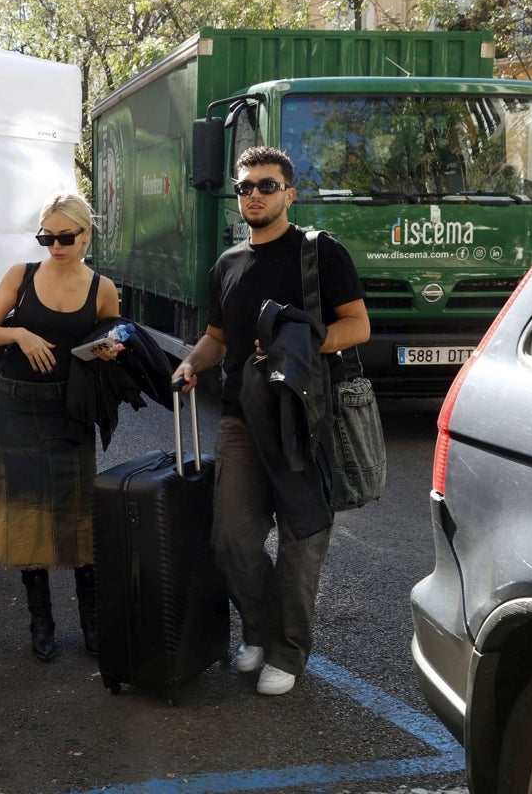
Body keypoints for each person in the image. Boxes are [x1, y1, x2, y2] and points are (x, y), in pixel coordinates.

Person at [171, 147, 370, 695]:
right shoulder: (226, 265)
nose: (253, 194)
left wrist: (298, 345)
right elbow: (217, 338)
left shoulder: (319, 253)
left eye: (265, 184)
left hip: (306, 419)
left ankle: (287, 649)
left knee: (302, 541)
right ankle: (257, 629)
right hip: (241, 419)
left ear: (289, 193)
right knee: (231, 539)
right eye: (244, 187)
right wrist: (190, 363)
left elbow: (357, 326)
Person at [0, 190, 121, 662]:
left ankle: (93, 626)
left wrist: (110, 350)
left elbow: (112, 342)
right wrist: (19, 331)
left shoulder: (103, 288)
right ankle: (41, 622)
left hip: (68, 411)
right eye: (47, 237)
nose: (56, 246)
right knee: (25, 515)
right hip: (16, 406)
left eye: (65, 237)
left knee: (80, 516)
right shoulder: (22, 275)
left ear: (86, 234)